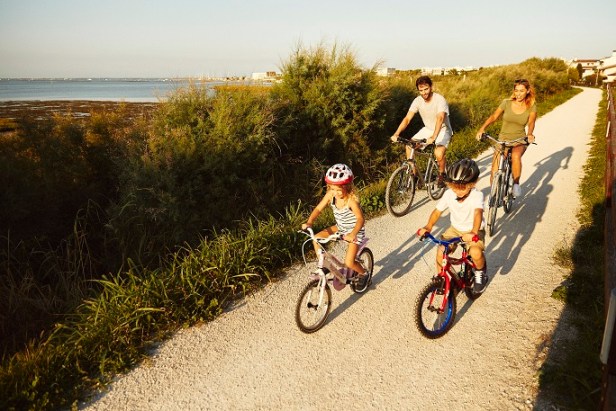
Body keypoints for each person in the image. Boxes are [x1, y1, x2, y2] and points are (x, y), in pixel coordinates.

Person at [416, 159, 488, 293]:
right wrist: (428, 226)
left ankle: (480, 272)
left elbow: (478, 213)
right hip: (455, 229)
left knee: (475, 252)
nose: (458, 191)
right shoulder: (449, 194)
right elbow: (437, 212)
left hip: (473, 230)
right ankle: (441, 279)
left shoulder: (477, 195)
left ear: (472, 184)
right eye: (454, 187)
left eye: (462, 187)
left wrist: (474, 232)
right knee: (441, 251)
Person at [302, 163, 370, 288]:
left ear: (347, 186)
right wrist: (310, 222)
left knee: (349, 263)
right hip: (340, 227)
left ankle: (364, 273)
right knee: (316, 238)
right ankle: (323, 264)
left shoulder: (351, 200)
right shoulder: (331, 195)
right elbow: (318, 209)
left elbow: (361, 219)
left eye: (339, 190)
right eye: (332, 189)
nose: (336, 192)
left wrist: (353, 234)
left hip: (354, 232)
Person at [475, 78, 537, 198]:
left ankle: (516, 184)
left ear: (528, 91)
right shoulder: (506, 103)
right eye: (516, 90)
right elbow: (494, 116)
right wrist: (482, 128)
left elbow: (531, 122)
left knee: (515, 156)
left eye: (522, 91)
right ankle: (494, 197)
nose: (518, 94)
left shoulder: (531, 106)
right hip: (502, 139)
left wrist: (530, 134)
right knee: (494, 171)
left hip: (519, 140)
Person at [391, 75, 453, 184]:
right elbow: (407, 119)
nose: (424, 92)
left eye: (426, 89)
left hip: (443, 129)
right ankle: (414, 177)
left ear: (431, 87)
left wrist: (433, 137)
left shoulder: (440, 99)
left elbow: (440, 118)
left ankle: (442, 174)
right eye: (421, 90)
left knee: (438, 153)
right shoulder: (417, 101)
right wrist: (396, 133)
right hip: (428, 129)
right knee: (409, 146)